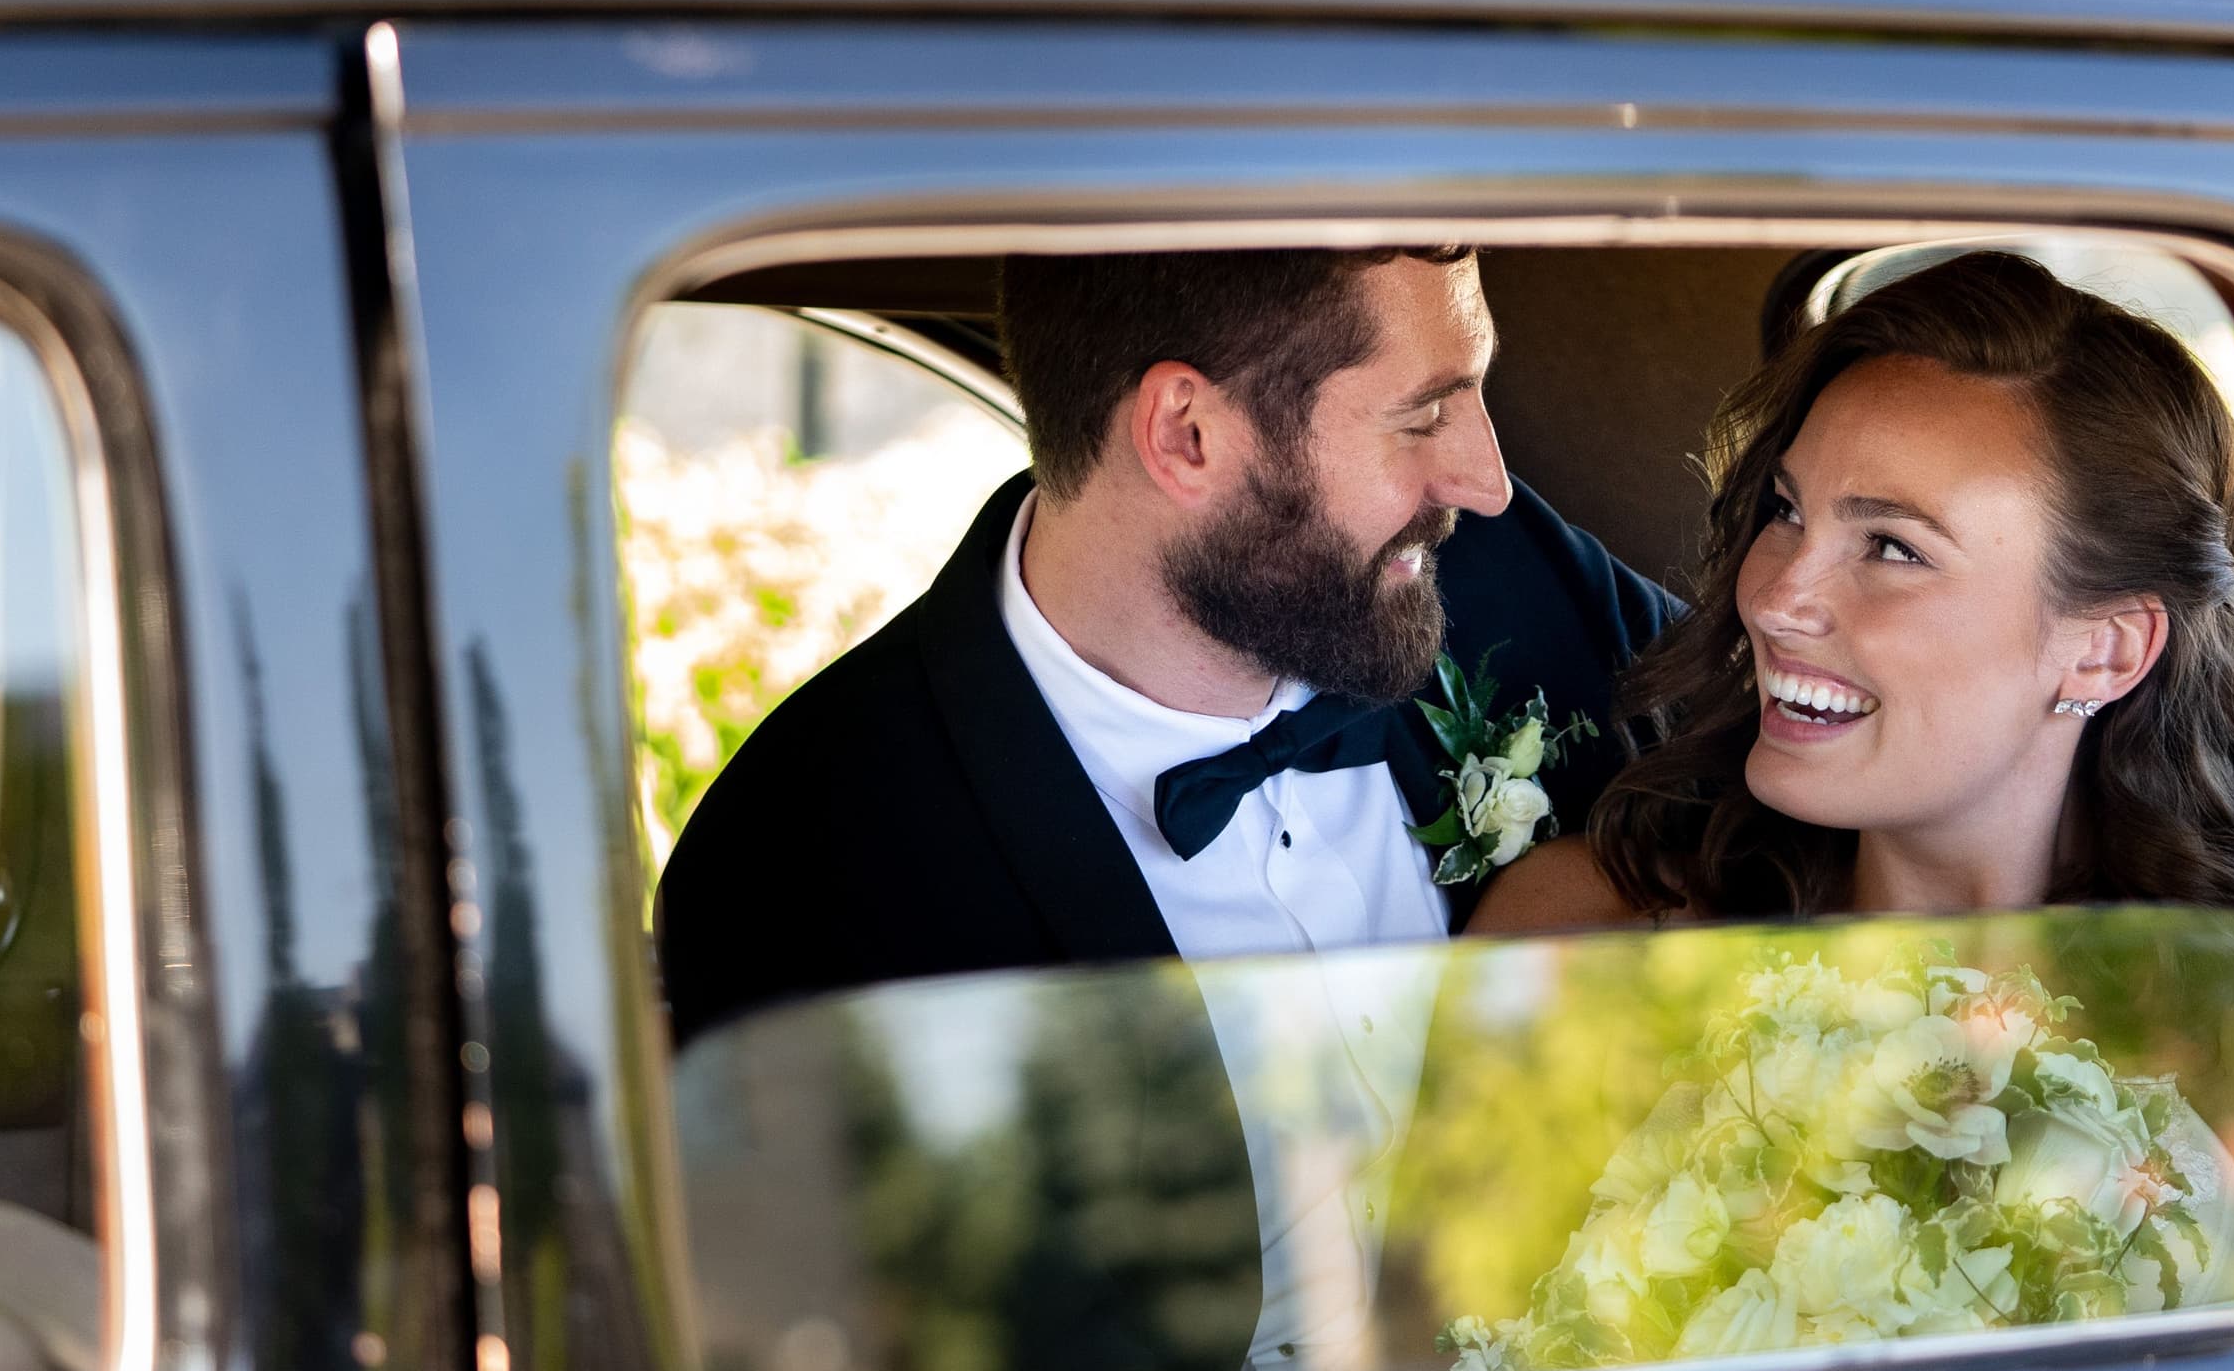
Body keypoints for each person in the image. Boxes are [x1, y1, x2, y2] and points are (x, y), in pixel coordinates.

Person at [657, 247, 1677, 1036]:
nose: (1484, 481)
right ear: (1187, 434)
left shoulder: (1506, 575)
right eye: (1423, 418)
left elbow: (1787, 754)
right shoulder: (806, 864)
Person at [1472, 248, 2234, 936]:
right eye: (1786, 511)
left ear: (2106, 650)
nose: (1776, 598)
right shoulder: (1590, 930)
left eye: (1892, 547)